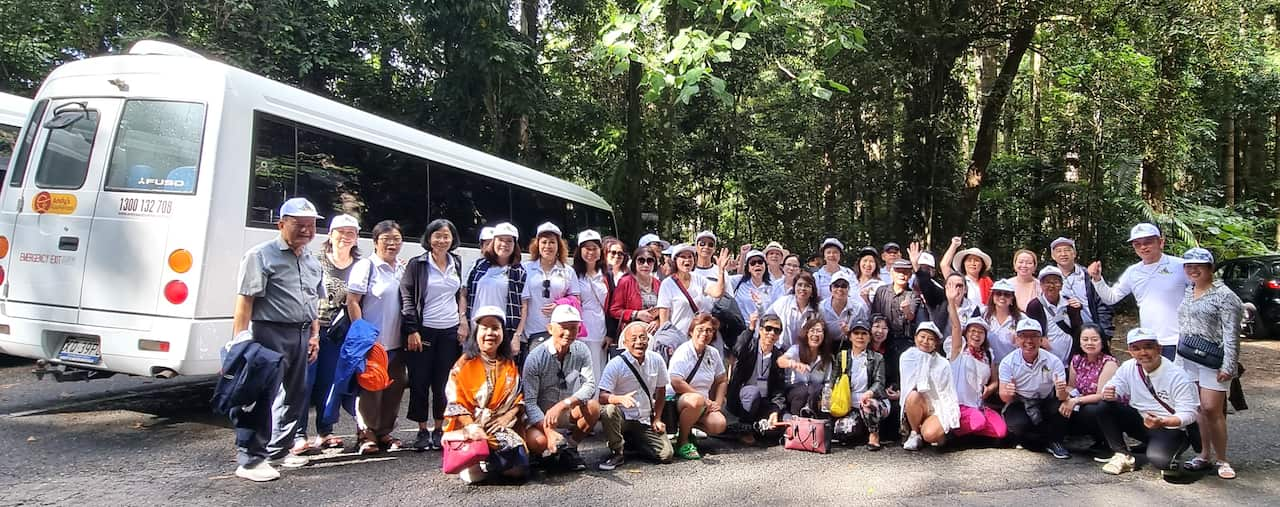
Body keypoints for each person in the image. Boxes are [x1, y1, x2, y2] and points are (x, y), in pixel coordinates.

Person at [231, 197, 325, 481]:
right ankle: (249, 461)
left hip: (301, 333)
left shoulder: (311, 259)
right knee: (259, 397)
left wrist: (314, 335)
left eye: (311, 225)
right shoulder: (260, 255)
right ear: (281, 224)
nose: (307, 231)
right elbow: (245, 301)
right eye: (300, 225)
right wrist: (240, 342)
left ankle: (277, 452)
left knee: (295, 396)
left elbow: (313, 302)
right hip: (268, 332)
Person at [399, 218, 466, 452]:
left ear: (452, 239)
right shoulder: (417, 264)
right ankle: (421, 430)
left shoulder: (456, 262)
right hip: (423, 330)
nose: (441, 240)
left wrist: (462, 322)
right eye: (437, 236)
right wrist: (412, 329)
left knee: (443, 383)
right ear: (429, 238)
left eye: (446, 236)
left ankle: (439, 429)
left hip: (449, 330)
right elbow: (407, 297)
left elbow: (460, 295)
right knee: (419, 381)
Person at [1175, 247, 1242, 479]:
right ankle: (1204, 455)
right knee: (1199, 409)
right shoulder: (1188, 291)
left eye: (1199, 266)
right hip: (1188, 357)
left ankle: (1222, 459)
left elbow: (1231, 334)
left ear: (1210, 268)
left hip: (1214, 359)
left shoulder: (1226, 296)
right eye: (1189, 266)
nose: (1193, 270)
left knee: (1213, 409)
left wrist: (1229, 366)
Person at [1097, 328, 1201, 477]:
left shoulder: (1178, 376)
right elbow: (1116, 385)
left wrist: (1163, 421)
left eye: (1148, 347)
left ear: (1159, 348)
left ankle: (1159, 454)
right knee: (1104, 406)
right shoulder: (1128, 367)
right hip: (1142, 422)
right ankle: (1122, 454)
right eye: (1136, 348)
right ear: (1130, 351)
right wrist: (1109, 392)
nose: (1143, 353)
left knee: (1162, 463)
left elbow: (1189, 413)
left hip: (1170, 428)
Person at [442, 306, 528, 484]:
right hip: (471, 428)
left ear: (502, 333)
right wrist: (472, 427)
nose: (490, 333)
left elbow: (519, 399)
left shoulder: (508, 365)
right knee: (474, 478)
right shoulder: (464, 364)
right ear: (476, 333)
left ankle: (489, 460)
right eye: (485, 328)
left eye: (495, 328)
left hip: (499, 427)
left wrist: (507, 417)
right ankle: (472, 458)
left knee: (519, 471)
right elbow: (455, 402)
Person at [296, 213, 360, 454]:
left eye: (350, 233)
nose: (345, 237)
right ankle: (298, 433)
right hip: (313, 329)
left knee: (329, 382)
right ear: (330, 235)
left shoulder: (359, 265)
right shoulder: (315, 261)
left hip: (339, 333)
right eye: (341, 232)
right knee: (304, 382)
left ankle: (325, 431)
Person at [348, 220, 408, 454]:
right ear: (375, 242)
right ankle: (366, 433)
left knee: (395, 387)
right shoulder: (366, 267)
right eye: (386, 240)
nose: (392, 244)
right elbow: (352, 301)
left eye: (396, 240)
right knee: (370, 388)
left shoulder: (401, 269)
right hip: (373, 342)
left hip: (397, 341)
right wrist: (362, 334)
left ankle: (384, 431)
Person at [1089, 223, 1190, 359]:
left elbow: (1200, 294)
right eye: (1137, 244)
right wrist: (1097, 279)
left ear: (1161, 242)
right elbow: (1111, 297)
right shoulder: (1133, 272)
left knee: (1180, 379)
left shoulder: (1180, 266)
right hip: (1149, 341)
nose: (1143, 247)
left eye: (1148, 242)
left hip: (1180, 339)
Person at [522, 305, 601, 470]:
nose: (569, 333)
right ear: (550, 328)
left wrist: (564, 404)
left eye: (574, 328)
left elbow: (590, 385)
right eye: (564, 327)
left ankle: (570, 448)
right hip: (541, 416)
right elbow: (529, 402)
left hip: (564, 410)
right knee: (539, 441)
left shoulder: (581, 350)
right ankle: (543, 453)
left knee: (593, 407)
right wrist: (548, 430)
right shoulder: (535, 358)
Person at [597, 322, 675, 470]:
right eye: (633, 339)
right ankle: (617, 452)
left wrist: (657, 418)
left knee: (666, 455)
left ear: (648, 340)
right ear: (625, 343)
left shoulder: (656, 360)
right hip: (623, 417)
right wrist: (620, 399)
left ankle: (635, 442)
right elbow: (602, 396)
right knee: (608, 410)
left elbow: (661, 390)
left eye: (642, 338)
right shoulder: (615, 364)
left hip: (644, 419)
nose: (638, 342)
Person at [998, 319, 1071, 459]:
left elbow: (1062, 396)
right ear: (1017, 339)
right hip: (1021, 401)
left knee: (1061, 408)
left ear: (1041, 339)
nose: (1029, 341)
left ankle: (1055, 441)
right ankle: (1040, 441)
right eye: (1024, 336)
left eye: (1034, 336)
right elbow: (1004, 396)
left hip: (1046, 400)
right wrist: (1008, 392)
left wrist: (1061, 390)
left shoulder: (1054, 361)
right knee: (1018, 424)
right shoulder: (1007, 362)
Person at [667, 314, 729, 460]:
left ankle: (688, 431)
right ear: (691, 331)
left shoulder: (713, 353)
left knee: (719, 424)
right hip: (679, 400)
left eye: (709, 330)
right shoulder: (683, 351)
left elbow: (722, 379)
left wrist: (718, 403)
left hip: (703, 403)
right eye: (700, 329)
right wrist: (703, 399)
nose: (704, 334)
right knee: (696, 401)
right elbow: (676, 382)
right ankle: (682, 441)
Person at [945, 293, 1006, 443]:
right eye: (973, 331)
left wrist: (990, 389)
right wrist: (951, 302)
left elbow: (994, 382)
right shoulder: (958, 349)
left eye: (980, 332)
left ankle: (970, 430)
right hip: (958, 405)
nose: (976, 335)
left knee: (1001, 431)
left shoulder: (988, 354)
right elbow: (955, 327)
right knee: (978, 421)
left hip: (978, 405)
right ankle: (952, 432)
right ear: (966, 333)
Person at [464, 222, 528, 358]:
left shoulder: (519, 272)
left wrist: (517, 336)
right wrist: (463, 320)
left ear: (514, 245)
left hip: (503, 334)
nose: (504, 244)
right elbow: (464, 294)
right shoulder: (479, 266)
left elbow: (524, 307)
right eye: (500, 240)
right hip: (476, 331)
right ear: (493, 242)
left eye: (509, 241)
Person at [1059, 323, 1117, 459]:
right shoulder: (1077, 360)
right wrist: (1064, 393)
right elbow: (1071, 386)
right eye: (1085, 339)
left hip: (1102, 405)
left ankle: (1109, 443)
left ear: (1102, 341)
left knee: (1092, 410)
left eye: (1094, 339)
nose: (1089, 343)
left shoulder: (1109, 363)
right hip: (1080, 401)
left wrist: (1076, 401)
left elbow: (1102, 395)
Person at [728, 313, 788, 445]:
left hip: (764, 402)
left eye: (776, 330)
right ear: (760, 330)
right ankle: (744, 429)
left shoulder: (779, 355)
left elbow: (779, 388)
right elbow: (737, 349)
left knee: (784, 422)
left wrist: (775, 410)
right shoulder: (749, 347)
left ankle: (756, 427)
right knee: (753, 392)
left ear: (779, 335)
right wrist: (750, 328)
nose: (771, 333)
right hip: (743, 399)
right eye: (768, 328)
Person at [898, 322, 959, 450]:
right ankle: (915, 432)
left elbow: (947, 392)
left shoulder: (943, 364)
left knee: (930, 435)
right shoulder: (907, 357)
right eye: (922, 337)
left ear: (936, 343)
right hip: (919, 403)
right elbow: (908, 386)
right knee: (913, 395)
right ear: (915, 338)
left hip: (937, 406)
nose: (925, 341)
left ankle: (932, 431)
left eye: (930, 339)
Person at [521, 222, 580, 355]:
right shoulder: (526, 268)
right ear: (537, 245)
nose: (547, 246)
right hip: (531, 332)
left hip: (559, 332)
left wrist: (559, 305)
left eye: (552, 242)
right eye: (544, 242)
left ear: (559, 245)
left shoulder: (567, 271)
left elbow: (576, 300)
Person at [832, 319, 890, 450]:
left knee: (869, 404)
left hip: (874, 401)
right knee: (842, 432)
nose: (860, 337)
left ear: (869, 337)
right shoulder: (842, 356)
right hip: (850, 403)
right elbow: (833, 379)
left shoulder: (877, 358)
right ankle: (861, 427)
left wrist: (870, 393)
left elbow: (879, 383)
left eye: (864, 333)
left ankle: (874, 434)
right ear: (850, 336)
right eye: (856, 333)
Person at [655, 243, 728, 345]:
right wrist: (666, 341)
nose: (687, 260)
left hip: (698, 338)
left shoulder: (698, 278)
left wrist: (721, 272)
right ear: (675, 260)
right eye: (683, 257)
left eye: (690, 257)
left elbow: (717, 293)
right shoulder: (667, 284)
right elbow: (664, 321)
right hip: (677, 340)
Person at [1049, 237, 1113, 337]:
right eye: (1058, 251)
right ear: (1053, 256)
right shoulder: (1048, 279)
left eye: (1067, 250)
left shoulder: (1088, 275)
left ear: (1074, 253)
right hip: (1063, 335)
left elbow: (1103, 305)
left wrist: (1105, 333)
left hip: (1092, 332)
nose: (1063, 254)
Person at [573, 230, 612, 388]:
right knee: (577, 370)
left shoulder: (607, 275)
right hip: (579, 329)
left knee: (597, 369)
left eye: (594, 248)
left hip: (600, 330)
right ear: (580, 250)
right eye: (587, 248)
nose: (591, 252)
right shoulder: (573, 273)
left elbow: (612, 305)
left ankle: (594, 407)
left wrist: (610, 333)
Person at [1025, 266, 1083, 365]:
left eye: (1056, 282)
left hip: (1071, 356)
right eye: (1047, 282)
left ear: (1061, 285)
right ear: (1041, 285)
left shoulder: (1069, 302)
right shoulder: (1035, 305)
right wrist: (1040, 338)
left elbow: (1078, 328)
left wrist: (1078, 308)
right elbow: (1029, 331)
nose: (1051, 286)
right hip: (1046, 357)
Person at [776, 318, 834, 417]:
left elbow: (827, 383)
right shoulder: (796, 349)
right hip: (795, 392)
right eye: (812, 331)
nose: (815, 334)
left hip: (815, 395)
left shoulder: (827, 358)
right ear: (806, 334)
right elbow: (780, 361)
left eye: (819, 331)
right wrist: (794, 364)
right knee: (803, 391)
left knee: (818, 390)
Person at [871, 259, 917, 371]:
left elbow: (911, 317)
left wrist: (906, 310)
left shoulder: (913, 295)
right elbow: (874, 315)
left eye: (905, 272)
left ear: (910, 275)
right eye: (898, 271)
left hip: (904, 341)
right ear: (891, 273)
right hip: (882, 339)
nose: (902, 274)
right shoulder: (881, 291)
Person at [610, 247, 663, 335]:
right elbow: (614, 310)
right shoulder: (625, 282)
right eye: (641, 261)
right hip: (633, 334)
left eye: (650, 261)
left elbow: (665, 310)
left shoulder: (659, 284)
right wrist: (636, 314)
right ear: (634, 262)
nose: (645, 265)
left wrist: (658, 322)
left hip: (655, 335)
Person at [768, 271, 821, 349]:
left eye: (807, 286)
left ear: (812, 290)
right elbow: (767, 317)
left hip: (806, 352)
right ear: (794, 287)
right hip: (781, 350)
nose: (802, 288)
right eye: (799, 285)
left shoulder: (818, 309)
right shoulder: (784, 302)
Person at [940, 237, 994, 305]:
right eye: (969, 260)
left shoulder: (988, 283)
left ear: (982, 265)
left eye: (976, 260)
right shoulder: (959, 280)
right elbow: (944, 265)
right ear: (963, 264)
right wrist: (954, 245)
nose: (973, 263)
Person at [821, 271, 869, 348]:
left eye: (843, 286)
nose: (840, 289)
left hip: (848, 345)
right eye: (836, 286)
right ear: (830, 288)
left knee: (843, 359)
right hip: (826, 345)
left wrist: (849, 332)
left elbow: (864, 332)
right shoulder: (821, 307)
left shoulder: (858, 308)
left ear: (848, 289)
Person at [728, 249, 775, 326]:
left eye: (760, 262)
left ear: (765, 266)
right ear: (748, 268)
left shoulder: (772, 286)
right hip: (741, 330)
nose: (757, 265)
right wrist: (726, 269)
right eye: (753, 263)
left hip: (763, 331)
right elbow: (718, 283)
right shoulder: (738, 281)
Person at [984, 279, 1024, 364]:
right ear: (993, 296)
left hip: (1012, 366)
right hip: (988, 365)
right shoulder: (983, 314)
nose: (1002, 297)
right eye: (998, 293)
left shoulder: (1022, 319)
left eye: (1007, 294)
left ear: (1012, 298)